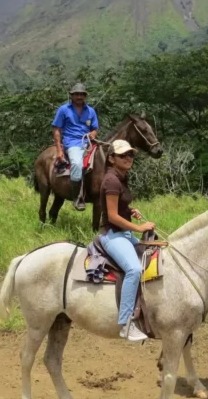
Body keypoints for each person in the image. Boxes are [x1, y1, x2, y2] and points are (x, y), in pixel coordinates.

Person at [99, 139, 154, 342]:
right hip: (112, 235)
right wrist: (139, 228)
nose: (128, 158)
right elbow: (112, 217)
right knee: (134, 269)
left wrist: (130, 211)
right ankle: (126, 323)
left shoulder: (122, 177)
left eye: (130, 155)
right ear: (112, 159)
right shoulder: (111, 180)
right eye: (123, 155)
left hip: (122, 233)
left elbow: (115, 207)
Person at [52, 83, 99, 211]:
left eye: (81, 94)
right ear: (71, 95)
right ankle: (77, 197)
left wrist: (92, 134)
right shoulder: (63, 109)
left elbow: (95, 129)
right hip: (72, 142)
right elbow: (57, 129)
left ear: (85, 96)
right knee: (77, 164)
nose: (79, 96)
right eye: (76, 94)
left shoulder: (91, 111)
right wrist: (59, 150)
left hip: (88, 142)